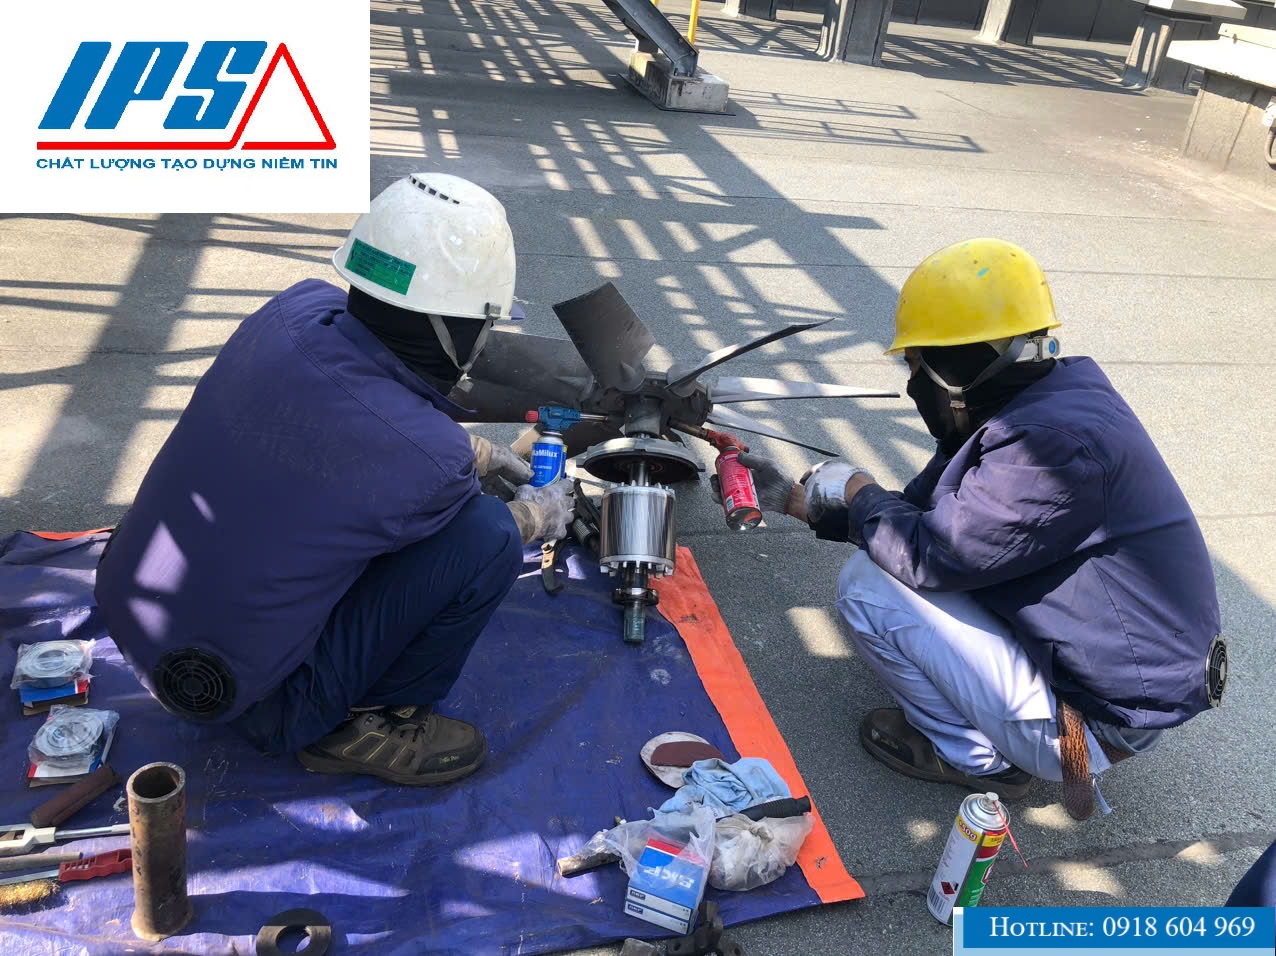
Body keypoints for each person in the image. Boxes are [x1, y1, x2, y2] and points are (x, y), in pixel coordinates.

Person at [94, 173, 573, 786]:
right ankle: (366, 724)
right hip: (253, 701)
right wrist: (532, 515)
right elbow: (451, 511)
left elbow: (325, 431)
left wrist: (470, 453)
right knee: (489, 535)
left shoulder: (294, 309)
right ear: (455, 328)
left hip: (134, 615)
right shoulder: (426, 460)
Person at [742, 238, 1225, 819]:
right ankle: (1003, 724)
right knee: (892, 565)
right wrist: (798, 502)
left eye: (916, 364)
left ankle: (981, 761)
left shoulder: (1050, 450)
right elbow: (919, 516)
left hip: (1095, 725)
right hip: (1117, 679)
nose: (912, 382)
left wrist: (859, 489)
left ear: (957, 365)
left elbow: (929, 552)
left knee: (867, 588)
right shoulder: (1040, 401)